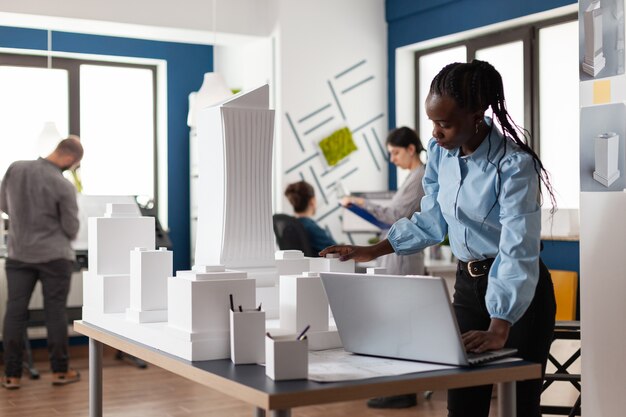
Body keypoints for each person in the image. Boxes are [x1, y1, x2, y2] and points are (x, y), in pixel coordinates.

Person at [321, 60, 556, 417]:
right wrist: (374, 250)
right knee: (461, 404)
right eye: (432, 122)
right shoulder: (441, 159)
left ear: (477, 114)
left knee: (520, 406)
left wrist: (500, 323)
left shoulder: (513, 164)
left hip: (520, 292)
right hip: (467, 287)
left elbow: (517, 246)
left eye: (444, 123)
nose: (434, 133)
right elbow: (431, 220)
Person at [1, 137, 84, 389]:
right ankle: (60, 371)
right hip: (54, 257)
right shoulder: (63, 185)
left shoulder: (16, 168)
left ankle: (12, 375)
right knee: (55, 312)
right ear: (70, 159)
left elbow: (4, 206)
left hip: (19, 253)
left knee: (15, 313)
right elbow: (71, 228)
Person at [342, 126, 426, 277]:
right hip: (394, 253)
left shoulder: (420, 178)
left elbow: (396, 216)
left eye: (396, 152)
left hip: (402, 258)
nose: (392, 159)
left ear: (411, 149)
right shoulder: (412, 177)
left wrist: (362, 203)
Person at [284, 181, 336, 254]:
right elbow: (337, 250)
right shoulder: (310, 227)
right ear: (312, 201)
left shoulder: (288, 226)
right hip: (317, 265)